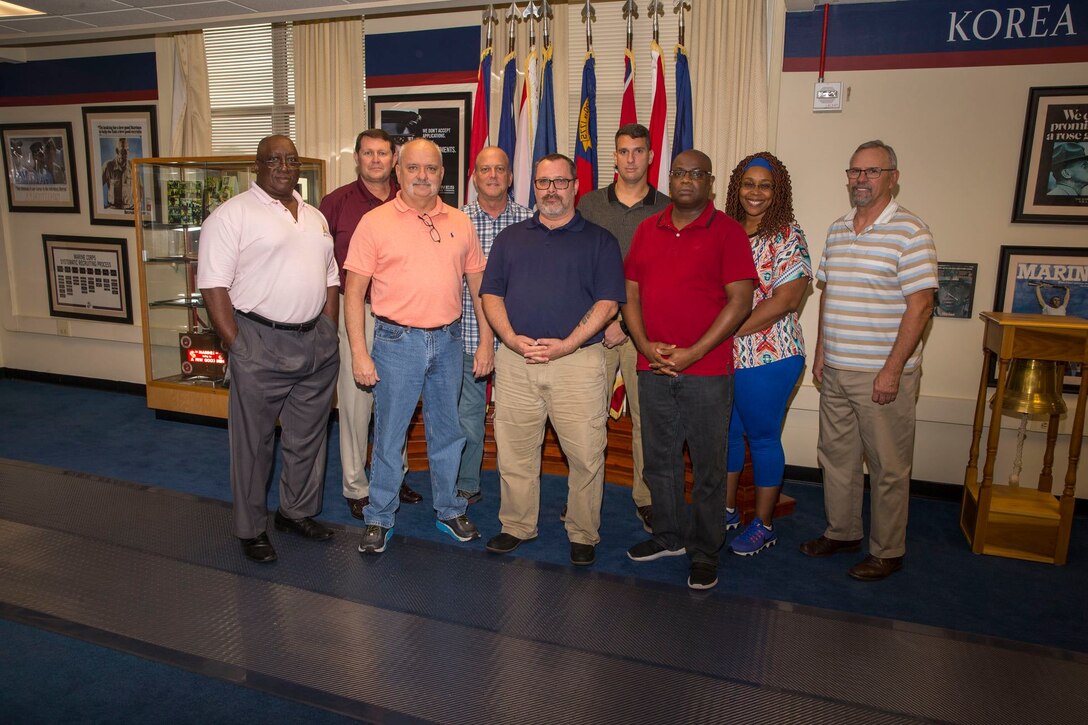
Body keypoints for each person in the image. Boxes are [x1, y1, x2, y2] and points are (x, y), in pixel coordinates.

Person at [197, 134, 340, 563]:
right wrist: (237, 345)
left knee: (309, 438)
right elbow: (213, 285)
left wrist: (329, 328)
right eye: (273, 160)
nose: (284, 166)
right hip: (258, 340)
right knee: (254, 444)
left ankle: (295, 513)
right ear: (256, 166)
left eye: (291, 159)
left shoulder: (314, 216)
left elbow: (330, 275)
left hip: (315, 342)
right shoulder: (231, 216)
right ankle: (251, 528)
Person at [801, 140, 937, 582]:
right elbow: (829, 296)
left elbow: (920, 306)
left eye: (872, 171)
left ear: (893, 177)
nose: (861, 179)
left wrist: (893, 369)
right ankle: (842, 532)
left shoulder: (911, 232)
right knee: (836, 458)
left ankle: (888, 550)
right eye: (855, 171)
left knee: (887, 468)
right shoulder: (839, 228)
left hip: (881, 374)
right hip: (837, 369)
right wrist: (821, 352)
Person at [480, 153, 625, 567]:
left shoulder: (600, 240)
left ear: (575, 186)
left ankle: (582, 531)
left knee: (585, 454)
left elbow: (608, 303)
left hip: (577, 363)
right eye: (543, 182)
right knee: (515, 451)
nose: (551, 190)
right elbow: (490, 294)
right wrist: (508, 338)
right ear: (534, 187)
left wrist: (567, 344)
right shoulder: (510, 238)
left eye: (560, 182)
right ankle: (516, 525)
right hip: (517, 361)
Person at [344, 138, 487, 554]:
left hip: (449, 342)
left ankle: (448, 509)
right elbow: (354, 293)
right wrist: (358, 352)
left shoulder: (461, 221)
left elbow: (478, 288)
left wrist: (486, 344)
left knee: (448, 432)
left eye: (431, 168)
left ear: (443, 174)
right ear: (398, 172)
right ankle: (379, 517)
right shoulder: (375, 222)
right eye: (412, 168)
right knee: (389, 435)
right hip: (395, 342)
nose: (422, 176)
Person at [622, 149, 756, 590]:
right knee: (659, 462)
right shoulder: (647, 229)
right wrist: (643, 346)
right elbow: (631, 295)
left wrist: (693, 352)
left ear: (710, 182)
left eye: (696, 174)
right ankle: (668, 534)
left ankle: (704, 550)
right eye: (679, 173)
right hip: (652, 368)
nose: (686, 180)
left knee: (708, 466)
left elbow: (740, 302)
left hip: (708, 373)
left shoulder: (728, 232)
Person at [318, 128, 421, 520]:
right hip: (355, 310)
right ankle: (357, 485)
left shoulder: (410, 198)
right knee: (357, 401)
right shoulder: (335, 203)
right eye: (368, 153)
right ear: (357, 158)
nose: (375, 160)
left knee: (398, 400)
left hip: (403, 311)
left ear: (394, 158)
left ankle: (394, 476)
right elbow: (323, 266)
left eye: (383, 153)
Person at [577, 123, 670, 533]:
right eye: (623, 151)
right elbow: (577, 269)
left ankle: (645, 498)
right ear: (614, 157)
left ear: (650, 156)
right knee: (585, 420)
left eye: (638, 151)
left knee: (645, 423)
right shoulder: (589, 205)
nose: (630, 158)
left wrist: (628, 327)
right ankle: (583, 502)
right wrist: (606, 320)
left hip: (643, 335)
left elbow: (668, 278)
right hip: (593, 333)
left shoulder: (668, 208)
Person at [721, 152, 812, 556]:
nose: (755, 192)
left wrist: (728, 331)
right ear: (736, 187)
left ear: (778, 192)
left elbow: (787, 299)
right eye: (748, 183)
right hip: (726, 355)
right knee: (726, 436)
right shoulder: (723, 230)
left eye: (765, 185)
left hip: (770, 355)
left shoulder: (786, 234)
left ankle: (763, 524)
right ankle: (724, 511)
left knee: (761, 437)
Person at [457, 147, 532, 504]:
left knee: (516, 424)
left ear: (510, 176)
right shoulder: (456, 221)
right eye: (485, 169)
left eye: (499, 169)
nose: (492, 175)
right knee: (468, 421)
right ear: (474, 177)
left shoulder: (530, 221)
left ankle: (514, 492)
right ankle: (467, 485)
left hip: (518, 342)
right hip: (466, 338)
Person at [102, 138, 132, 209]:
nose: (126, 154)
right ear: (117, 151)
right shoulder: (108, 166)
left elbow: (140, 189)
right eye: (123, 151)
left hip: (129, 209)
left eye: (127, 150)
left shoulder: (133, 166)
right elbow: (96, 188)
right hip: (113, 209)